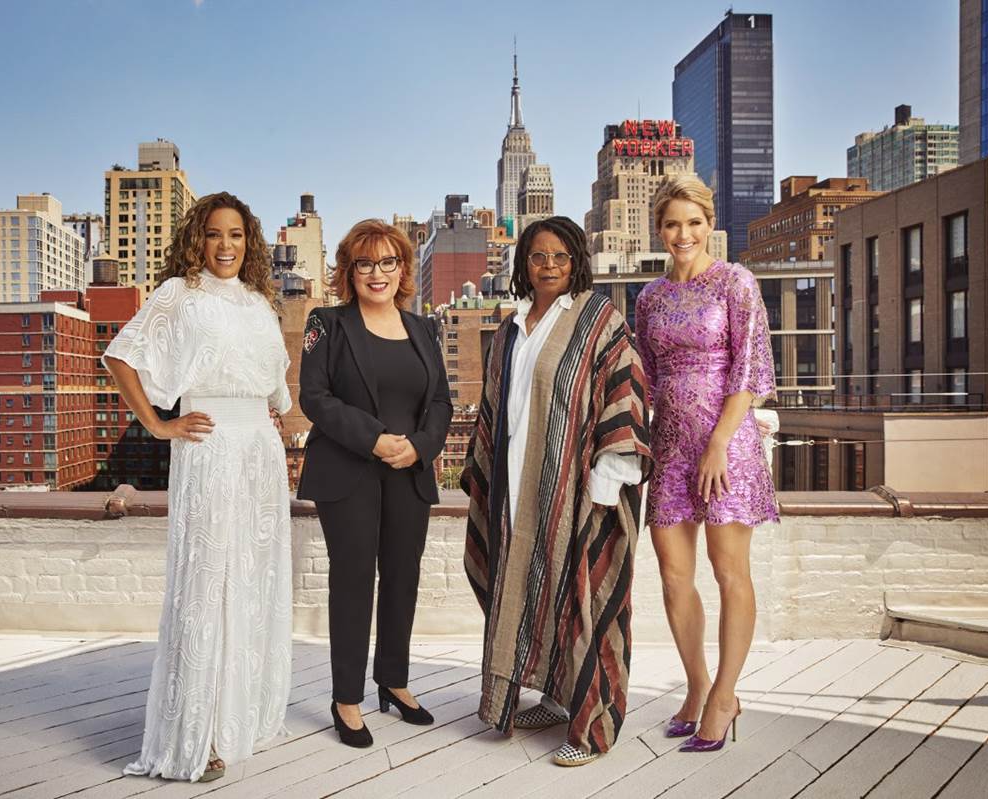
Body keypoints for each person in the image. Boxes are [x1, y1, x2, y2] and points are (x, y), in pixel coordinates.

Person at [103, 192, 293, 782]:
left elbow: (278, 392)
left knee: (253, 583)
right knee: (206, 584)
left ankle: (240, 720)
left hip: (259, 453)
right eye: (214, 234)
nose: (225, 245)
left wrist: (271, 419)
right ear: (197, 239)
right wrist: (159, 425)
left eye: (236, 234)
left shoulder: (260, 302)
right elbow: (121, 357)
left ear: (249, 241)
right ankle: (197, 735)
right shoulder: (178, 294)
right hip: (207, 446)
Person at [462, 216, 652, 767]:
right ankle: (550, 697)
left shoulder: (598, 319)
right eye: (538, 256)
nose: (549, 266)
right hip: (516, 486)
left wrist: (607, 478)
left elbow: (625, 390)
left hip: (578, 486)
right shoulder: (509, 329)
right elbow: (494, 409)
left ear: (577, 262)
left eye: (561, 257)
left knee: (582, 596)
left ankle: (592, 726)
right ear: (523, 263)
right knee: (523, 591)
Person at [633, 175, 778, 753]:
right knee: (673, 575)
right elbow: (645, 376)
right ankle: (695, 685)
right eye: (672, 224)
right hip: (669, 446)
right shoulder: (649, 297)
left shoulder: (736, 282)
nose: (683, 234)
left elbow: (751, 370)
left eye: (694, 222)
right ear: (659, 229)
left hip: (727, 445)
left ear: (710, 224)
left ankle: (724, 695)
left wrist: (719, 442)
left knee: (728, 571)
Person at [297, 219, 453, 748]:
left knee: (403, 578)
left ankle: (393, 681)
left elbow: (440, 401)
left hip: (409, 471)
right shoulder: (327, 324)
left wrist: (420, 446)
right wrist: (376, 440)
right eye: (365, 263)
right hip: (349, 471)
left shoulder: (424, 329)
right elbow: (314, 397)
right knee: (354, 581)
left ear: (402, 269)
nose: (377, 273)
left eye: (388, 262)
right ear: (349, 270)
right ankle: (346, 697)